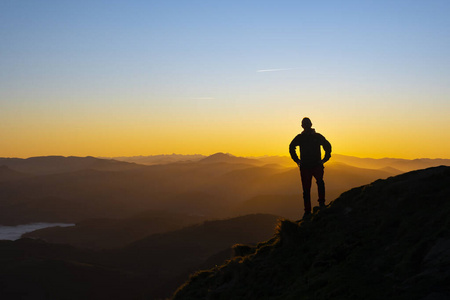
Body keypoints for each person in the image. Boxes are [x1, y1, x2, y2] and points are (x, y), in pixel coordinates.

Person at [289, 117, 332, 219]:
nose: (306, 126)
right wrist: (325, 159)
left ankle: (308, 211)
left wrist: (297, 160)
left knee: (307, 189)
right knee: (318, 183)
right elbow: (328, 146)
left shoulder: (301, 137)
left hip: (308, 166)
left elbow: (291, 147)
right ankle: (320, 205)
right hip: (314, 165)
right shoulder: (316, 136)